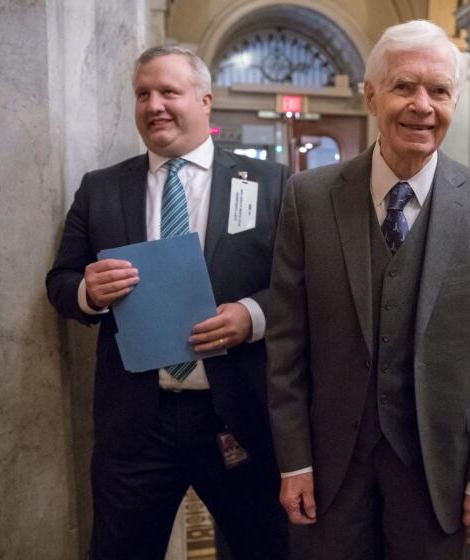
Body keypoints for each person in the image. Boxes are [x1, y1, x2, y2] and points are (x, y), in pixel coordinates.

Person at [266, 20, 470, 560]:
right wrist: (294, 461)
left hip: (438, 473)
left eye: (439, 91)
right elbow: (286, 343)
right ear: (371, 94)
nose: (421, 105)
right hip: (331, 466)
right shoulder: (308, 199)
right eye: (404, 86)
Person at [46, 46, 289, 559]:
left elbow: (304, 288)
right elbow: (60, 282)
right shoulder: (101, 189)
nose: (154, 104)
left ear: (205, 101)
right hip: (137, 425)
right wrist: (88, 292)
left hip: (237, 420)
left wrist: (253, 316)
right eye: (143, 94)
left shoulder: (270, 183)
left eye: (168, 92)